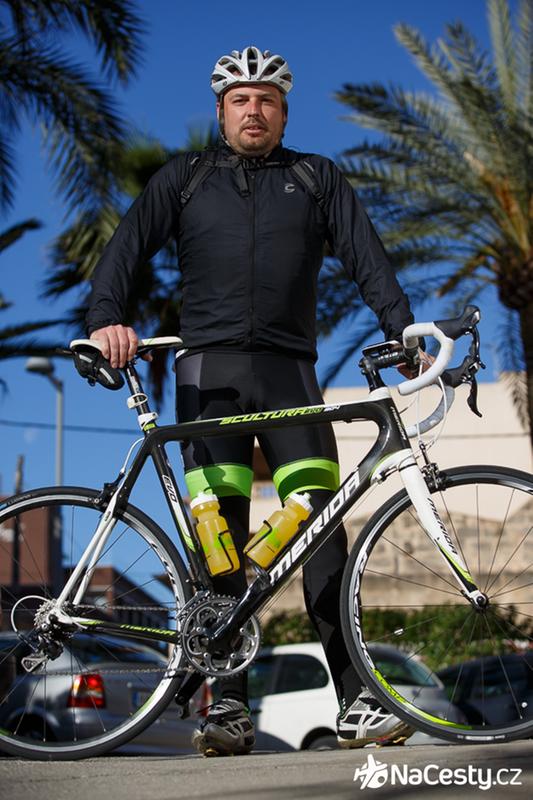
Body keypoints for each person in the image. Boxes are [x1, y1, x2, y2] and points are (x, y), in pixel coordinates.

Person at [86, 46, 423, 757]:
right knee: (221, 537)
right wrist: (106, 318)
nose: (253, 109)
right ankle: (229, 709)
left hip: (291, 374)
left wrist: (402, 328)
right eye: (239, 99)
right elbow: (126, 247)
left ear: (283, 113)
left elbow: (366, 257)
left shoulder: (316, 177)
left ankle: (355, 701)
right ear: (221, 111)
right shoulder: (186, 177)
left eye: (266, 99)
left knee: (322, 533)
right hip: (207, 374)